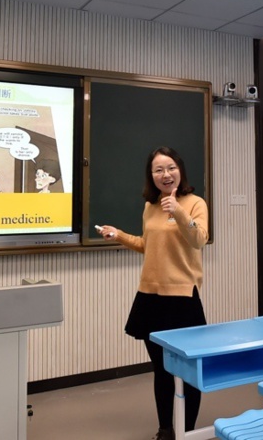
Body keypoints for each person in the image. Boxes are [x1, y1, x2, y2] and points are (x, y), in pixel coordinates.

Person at [98, 146, 209, 440]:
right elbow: (148, 245)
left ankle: (189, 431)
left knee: (187, 374)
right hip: (150, 296)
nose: (165, 174)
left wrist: (180, 212)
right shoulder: (150, 207)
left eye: (170, 167)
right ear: (151, 176)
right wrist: (119, 235)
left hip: (183, 298)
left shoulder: (195, 203)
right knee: (161, 370)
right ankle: (165, 430)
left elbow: (199, 239)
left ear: (180, 170)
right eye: (158, 170)